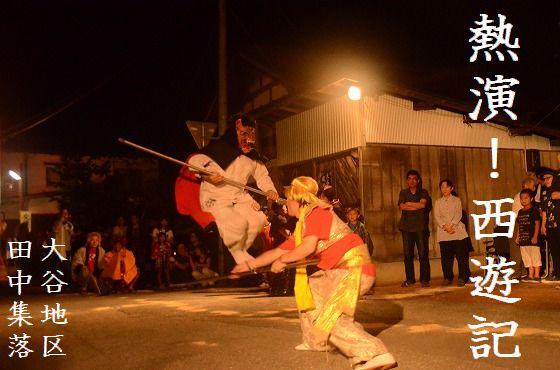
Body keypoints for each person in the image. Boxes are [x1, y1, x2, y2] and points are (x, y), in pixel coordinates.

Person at [231, 176, 397, 370]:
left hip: (353, 268)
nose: (285, 204)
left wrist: (283, 261)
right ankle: (317, 341)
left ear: (299, 199)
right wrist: (249, 265)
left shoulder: (317, 212)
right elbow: (279, 250)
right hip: (339, 270)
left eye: (288, 199)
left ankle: (375, 354)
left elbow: (306, 248)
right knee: (312, 289)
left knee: (330, 317)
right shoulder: (304, 224)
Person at [177, 114, 279, 264]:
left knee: (259, 220)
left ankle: (244, 251)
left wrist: (270, 190)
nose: (248, 138)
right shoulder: (217, 149)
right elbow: (196, 161)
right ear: (235, 133)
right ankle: (240, 258)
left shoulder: (253, 157)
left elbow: (262, 177)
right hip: (216, 197)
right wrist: (208, 176)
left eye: (250, 133)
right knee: (232, 222)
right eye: (243, 133)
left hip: (238, 196)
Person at [433, 179, 471, 287]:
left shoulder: (457, 200)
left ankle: (462, 277)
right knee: (446, 257)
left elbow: (458, 214)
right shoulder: (438, 202)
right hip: (444, 232)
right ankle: (447, 277)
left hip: (456, 230)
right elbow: (437, 216)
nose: (444, 189)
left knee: (461, 256)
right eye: (442, 187)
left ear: (451, 188)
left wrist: (452, 225)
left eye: (447, 187)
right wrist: (445, 226)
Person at [398, 170, 431, 287]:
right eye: (409, 178)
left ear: (418, 181)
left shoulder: (423, 192)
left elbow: (423, 205)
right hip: (406, 228)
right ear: (407, 181)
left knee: (423, 254)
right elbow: (402, 206)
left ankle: (425, 279)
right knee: (407, 255)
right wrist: (415, 205)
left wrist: (409, 204)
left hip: (420, 227)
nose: (412, 181)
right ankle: (410, 279)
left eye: (414, 179)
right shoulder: (403, 192)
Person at [515, 189, 542, 281]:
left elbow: (537, 224)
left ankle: (537, 275)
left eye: (526, 198)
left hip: (532, 239)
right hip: (523, 239)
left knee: (535, 256)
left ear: (531, 199)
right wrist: (517, 236)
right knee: (526, 258)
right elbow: (519, 225)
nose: (523, 200)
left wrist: (535, 236)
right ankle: (530, 275)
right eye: (521, 198)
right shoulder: (520, 212)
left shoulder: (534, 210)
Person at [540, 169, 560, 282]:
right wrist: (543, 225)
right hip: (550, 225)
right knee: (554, 250)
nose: (546, 180)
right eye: (544, 179)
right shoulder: (545, 193)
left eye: (549, 178)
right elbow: (544, 210)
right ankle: (557, 273)